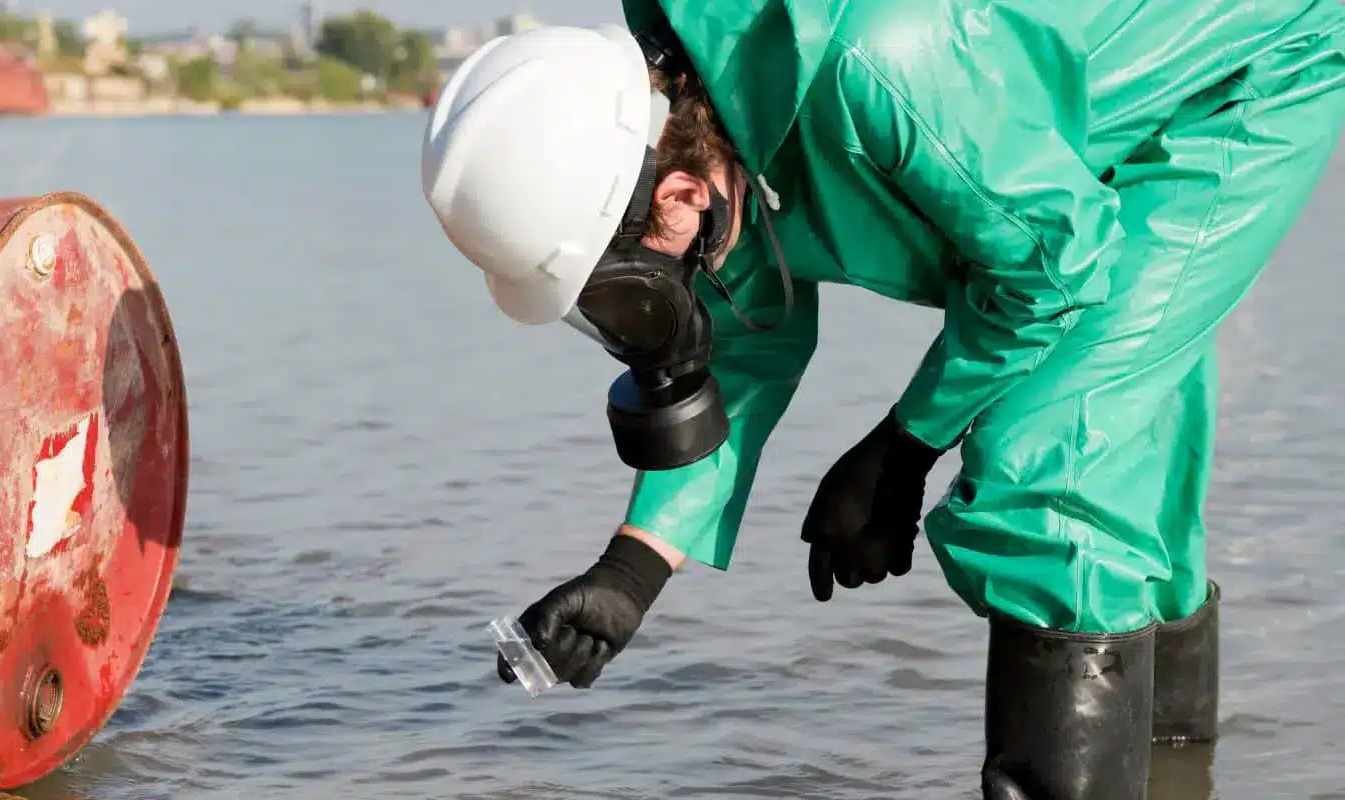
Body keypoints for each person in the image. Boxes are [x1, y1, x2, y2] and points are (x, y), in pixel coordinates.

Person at [419, 1, 1345, 798]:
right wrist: (632, 571)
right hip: (1070, 137)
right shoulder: (707, 117)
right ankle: (1180, 775)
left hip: (1244, 74)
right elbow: (747, 337)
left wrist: (905, 445)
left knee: (1050, 462)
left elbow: (1051, 269)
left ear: (679, 190)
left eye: (625, 292)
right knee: (1120, 445)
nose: (638, 319)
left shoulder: (884, 68)